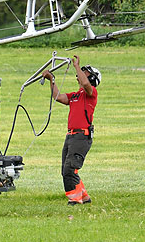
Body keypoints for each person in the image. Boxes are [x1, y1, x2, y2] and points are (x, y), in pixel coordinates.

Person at [43, 55, 101, 205]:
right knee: (66, 169)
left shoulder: (91, 93)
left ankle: (75, 200)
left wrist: (76, 66)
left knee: (70, 169)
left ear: (92, 79)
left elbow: (85, 83)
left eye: (86, 72)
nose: (81, 74)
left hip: (82, 136)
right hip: (71, 136)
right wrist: (52, 79)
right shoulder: (75, 95)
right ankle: (85, 197)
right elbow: (57, 96)